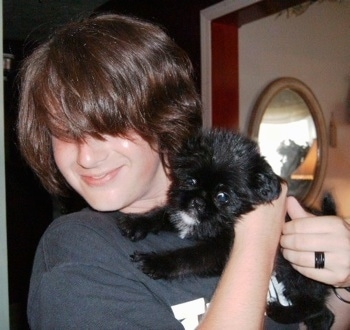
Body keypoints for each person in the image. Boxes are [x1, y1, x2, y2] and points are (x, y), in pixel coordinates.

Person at [17, 13, 350, 329]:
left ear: (163, 115)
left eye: (111, 125)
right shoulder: (77, 251)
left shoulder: (228, 203)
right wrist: (258, 239)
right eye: (64, 134)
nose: (87, 157)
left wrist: (345, 279)